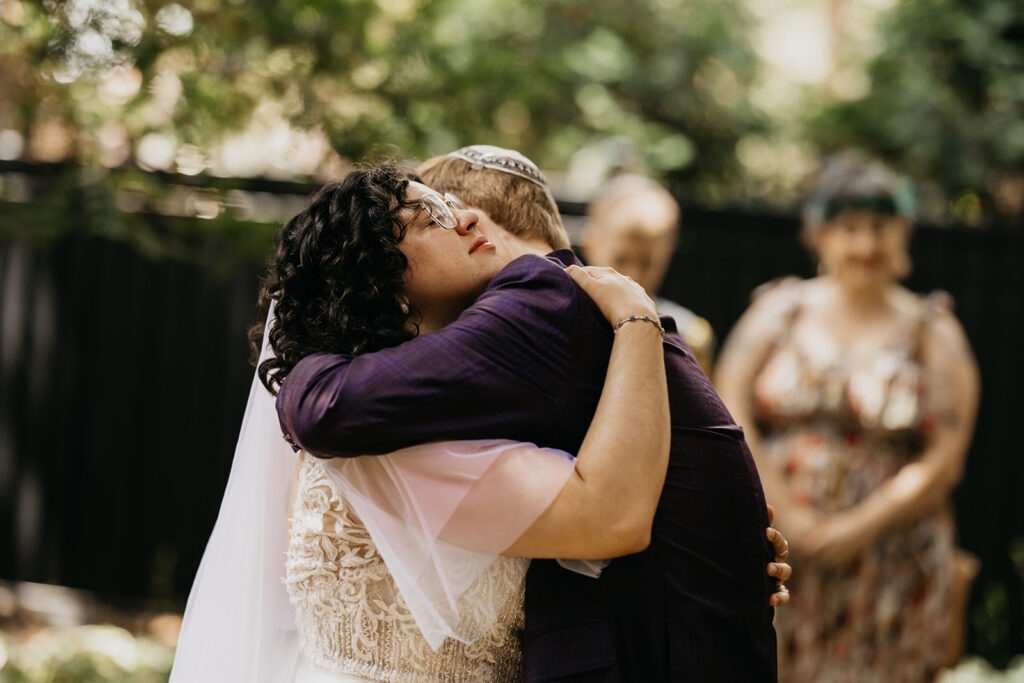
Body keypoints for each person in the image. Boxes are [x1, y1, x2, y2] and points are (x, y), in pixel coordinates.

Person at [170, 156, 791, 682]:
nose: (464, 221)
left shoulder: (485, 372)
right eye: (430, 216)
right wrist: (634, 319)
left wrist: (717, 532)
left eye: (451, 205)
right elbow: (610, 514)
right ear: (378, 277)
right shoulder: (395, 426)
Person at [714, 153, 980, 682]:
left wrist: (859, 528)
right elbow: (728, 413)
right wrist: (792, 515)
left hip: (893, 556)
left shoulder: (933, 329)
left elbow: (946, 457)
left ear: (901, 232)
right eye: (849, 227)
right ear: (819, 234)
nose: (865, 244)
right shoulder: (777, 311)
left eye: (879, 227)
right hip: (782, 545)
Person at [582, 174, 716, 373]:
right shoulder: (565, 319)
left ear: (667, 255)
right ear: (591, 245)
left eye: (647, 263)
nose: (632, 276)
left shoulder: (689, 336)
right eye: (621, 259)